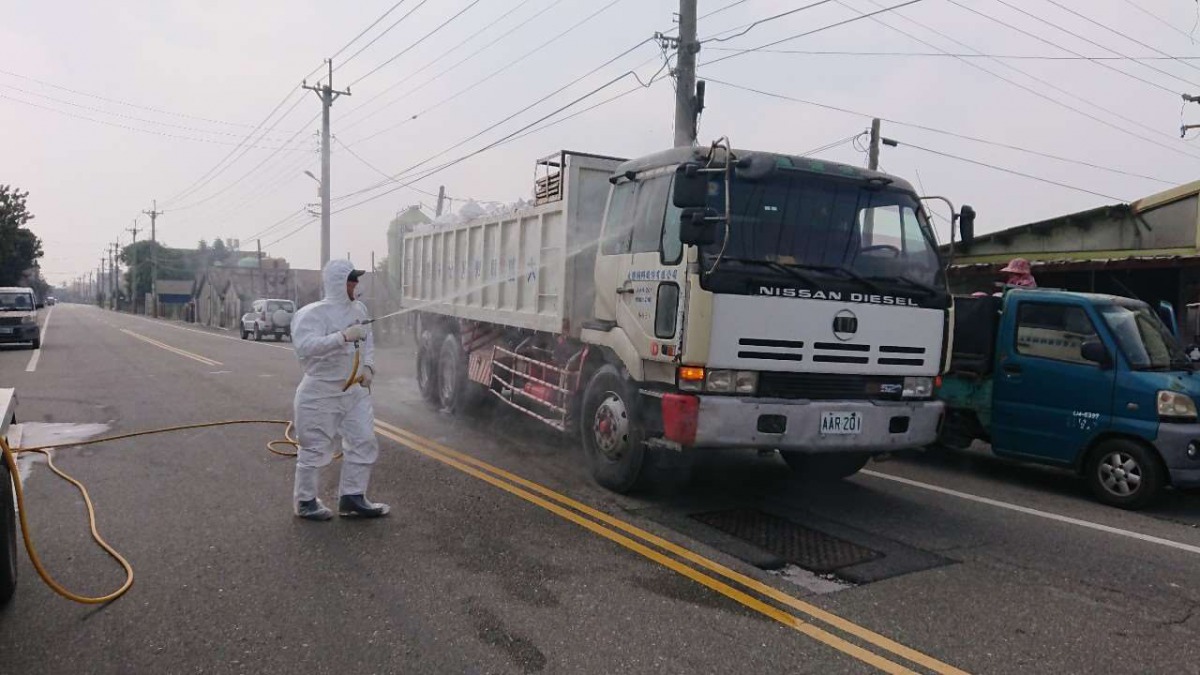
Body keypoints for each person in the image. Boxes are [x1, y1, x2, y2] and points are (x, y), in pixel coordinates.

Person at [290, 259, 389, 521]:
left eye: (357, 279)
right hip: (320, 391)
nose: (356, 284)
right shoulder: (312, 314)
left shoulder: (360, 308)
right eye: (351, 279)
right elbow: (305, 346)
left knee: (364, 441)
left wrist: (367, 368)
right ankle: (306, 501)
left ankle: (353, 498)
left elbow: (368, 343)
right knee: (314, 447)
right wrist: (342, 337)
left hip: (354, 391)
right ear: (337, 283)